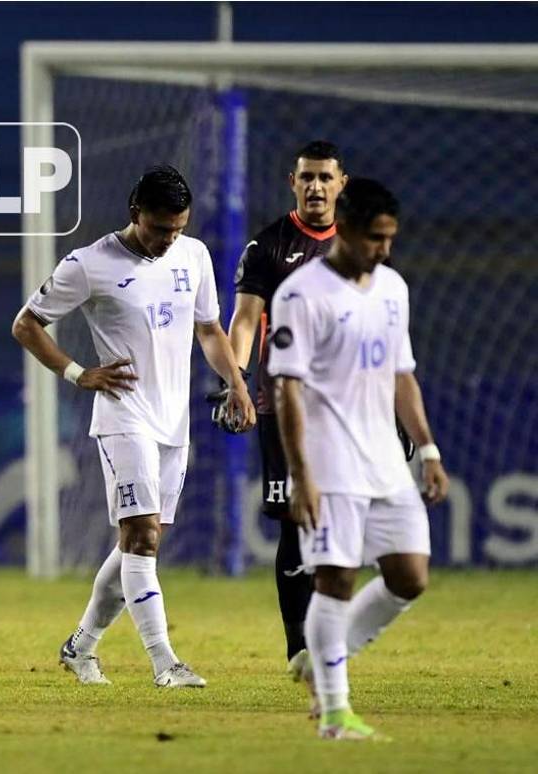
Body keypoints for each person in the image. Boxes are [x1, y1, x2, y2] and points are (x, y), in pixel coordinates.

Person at [12, 165, 254, 687]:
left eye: (178, 228)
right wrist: (78, 373)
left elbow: (209, 329)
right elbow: (26, 324)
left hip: (174, 422)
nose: (168, 239)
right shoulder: (89, 264)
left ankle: (80, 647)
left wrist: (236, 381)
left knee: (136, 545)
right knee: (141, 537)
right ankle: (165, 662)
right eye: (159, 228)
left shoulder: (193, 255)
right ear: (134, 212)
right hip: (123, 416)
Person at [270, 178, 449, 740]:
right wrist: (301, 474)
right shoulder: (301, 295)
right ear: (344, 230)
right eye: (375, 237)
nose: (384, 249)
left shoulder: (392, 287)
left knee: (410, 576)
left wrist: (427, 448)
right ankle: (335, 713)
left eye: (390, 238)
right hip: (330, 462)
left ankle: (322, 659)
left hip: (385, 459)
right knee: (336, 580)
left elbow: (402, 375)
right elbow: (287, 390)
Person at [219, 140, 347, 687]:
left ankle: (328, 636)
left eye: (325, 177)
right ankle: (299, 646)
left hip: (344, 407)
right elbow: (246, 320)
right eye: (307, 177)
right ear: (292, 182)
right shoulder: (268, 246)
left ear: (341, 184)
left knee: (340, 521)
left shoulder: (358, 246)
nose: (315, 186)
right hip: (282, 404)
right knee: (294, 522)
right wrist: (235, 382)